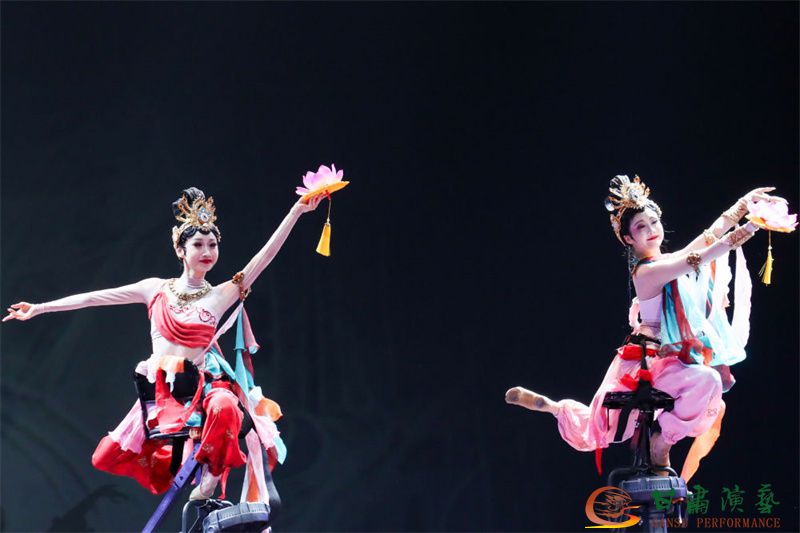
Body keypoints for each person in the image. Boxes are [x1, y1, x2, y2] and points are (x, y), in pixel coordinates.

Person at [4, 186, 323, 503]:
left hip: (201, 387)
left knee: (225, 406)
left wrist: (296, 211)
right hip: (163, 391)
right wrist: (40, 308)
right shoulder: (155, 289)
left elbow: (264, 256)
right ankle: (176, 459)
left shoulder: (222, 294)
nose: (207, 251)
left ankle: (211, 477)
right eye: (198, 244)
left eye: (212, 244)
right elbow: (94, 298)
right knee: (105, 457)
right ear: (180, 250)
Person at [505, 175, 784, 478]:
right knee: (702, 383)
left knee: (710, 382)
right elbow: (701, 256)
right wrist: (752, 225)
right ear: (628, 239)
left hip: (672, 355)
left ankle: (661, 440)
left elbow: (708, 237)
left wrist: (743, 204)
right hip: (649, 361)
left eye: (654, 222)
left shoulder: (664, 262)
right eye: (641, 227)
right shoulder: (646, 272)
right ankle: (655, 441)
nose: (651, 230)